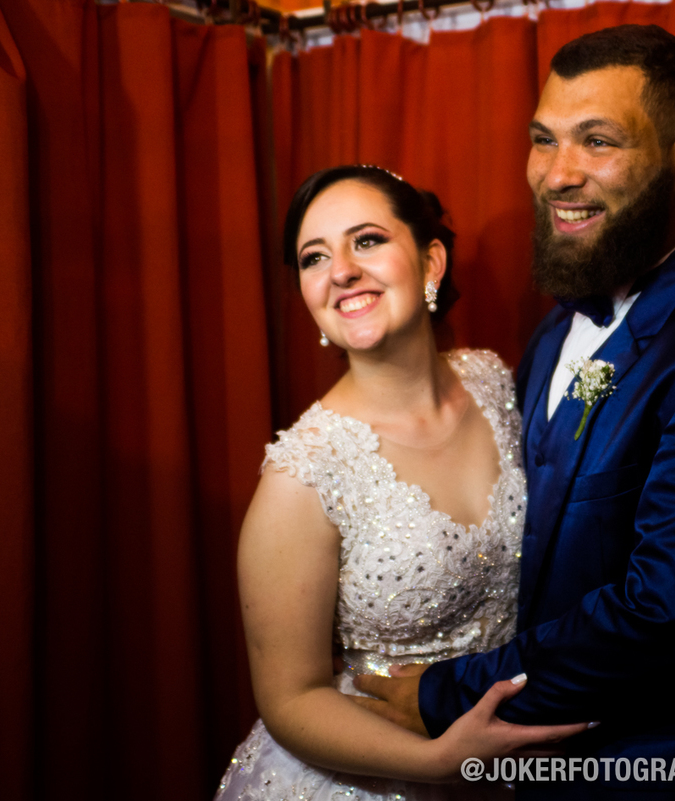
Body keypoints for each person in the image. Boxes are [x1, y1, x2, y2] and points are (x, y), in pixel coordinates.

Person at [356, 25, 675, 800]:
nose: (558, 174)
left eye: (598, 141)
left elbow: (667, 618)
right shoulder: (557, 326)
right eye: (543, 140)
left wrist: (440, 693)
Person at [214, 165, 589, 801]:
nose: (341, 271)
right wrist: (444, 761)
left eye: (366, 240)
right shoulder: (302, 476)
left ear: (431, 261)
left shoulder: (494, 382)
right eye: (314, 257)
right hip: (379, 772)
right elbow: (291, 698)